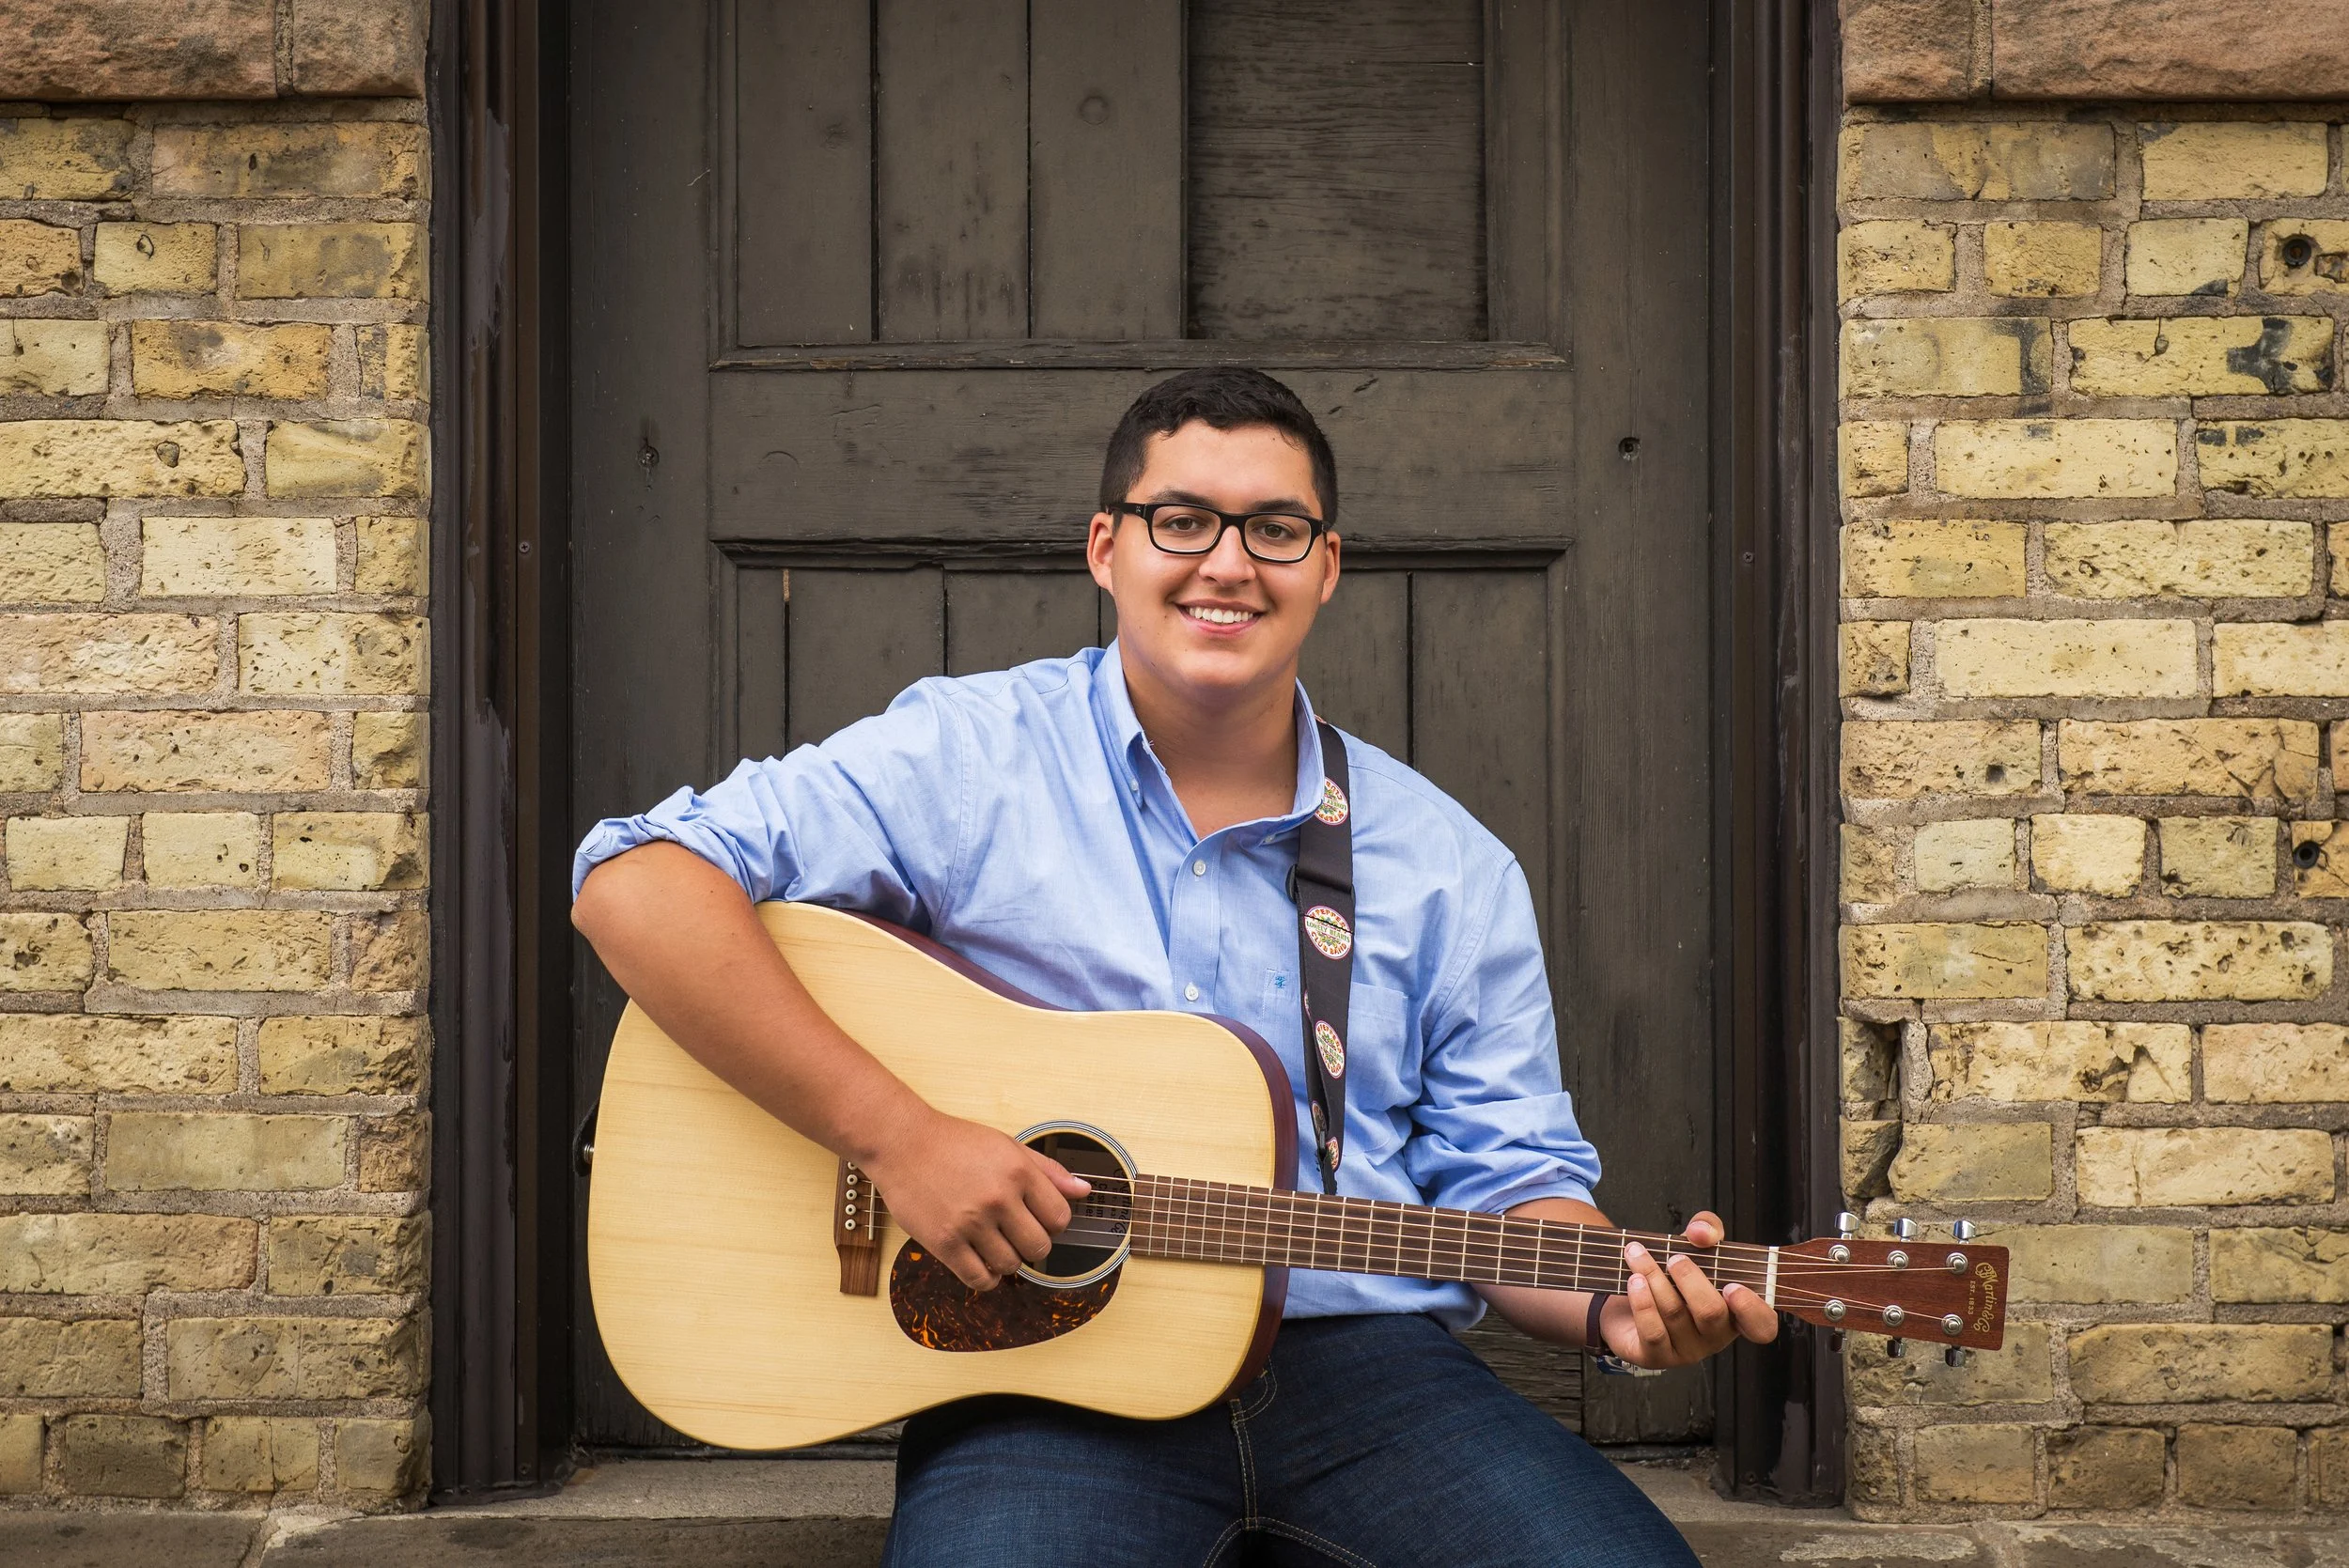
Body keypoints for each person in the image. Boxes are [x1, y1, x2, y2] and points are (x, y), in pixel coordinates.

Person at [570, 367, 1778, 1565]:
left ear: (1327, 564)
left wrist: (1623, 1308)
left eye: (1275, 528)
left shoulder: (1448, 865)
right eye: (1182, 519)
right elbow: (634, 884)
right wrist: (897, 1137)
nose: (1227, 562)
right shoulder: (968, 756)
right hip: (1042, 1369)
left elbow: (1505, 1179)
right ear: (1107, 547)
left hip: (1365, 1372)